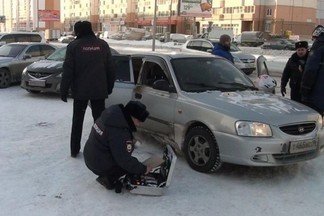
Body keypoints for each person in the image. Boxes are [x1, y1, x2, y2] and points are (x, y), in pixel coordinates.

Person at [60, 21, 116, 158]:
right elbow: (110, 68)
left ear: (78, 31)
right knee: (100, 123)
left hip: (80, 92)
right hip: (99, 91)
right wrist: (109, 87)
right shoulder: (102, 45)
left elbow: (68, 70)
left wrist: (63, 90)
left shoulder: (73, 46)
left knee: (77, 121)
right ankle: (101, 150)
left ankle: (74, 150)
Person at [83, 101, 152, 193]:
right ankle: (107, 179)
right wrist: (143, 169)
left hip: (90, 156)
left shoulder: (112, 116)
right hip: (98, 163)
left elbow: (111, 139)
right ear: (131, 116)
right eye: (138, 121)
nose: (138, 124)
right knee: (127, 166)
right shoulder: (120, 131)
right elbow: (124, 160)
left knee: (125, 155)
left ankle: (107, 173)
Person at [300, 25, 324, 115]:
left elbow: (311, 70)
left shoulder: (318, 46)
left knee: (313, 121)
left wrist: (304, 89)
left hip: (316, 95)